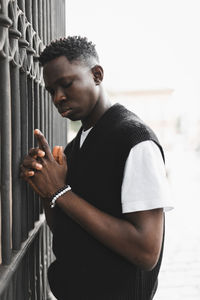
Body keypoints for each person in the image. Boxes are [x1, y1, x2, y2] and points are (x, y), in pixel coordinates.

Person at [21, 36, 172, 300]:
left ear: (97, 75)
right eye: (51, 90)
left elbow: (146, 252)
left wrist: (60, 191)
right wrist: (45, 183)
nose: (58, 97)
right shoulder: (74, 148)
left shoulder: (135, 141)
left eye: (66, 84)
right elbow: (67, 230)